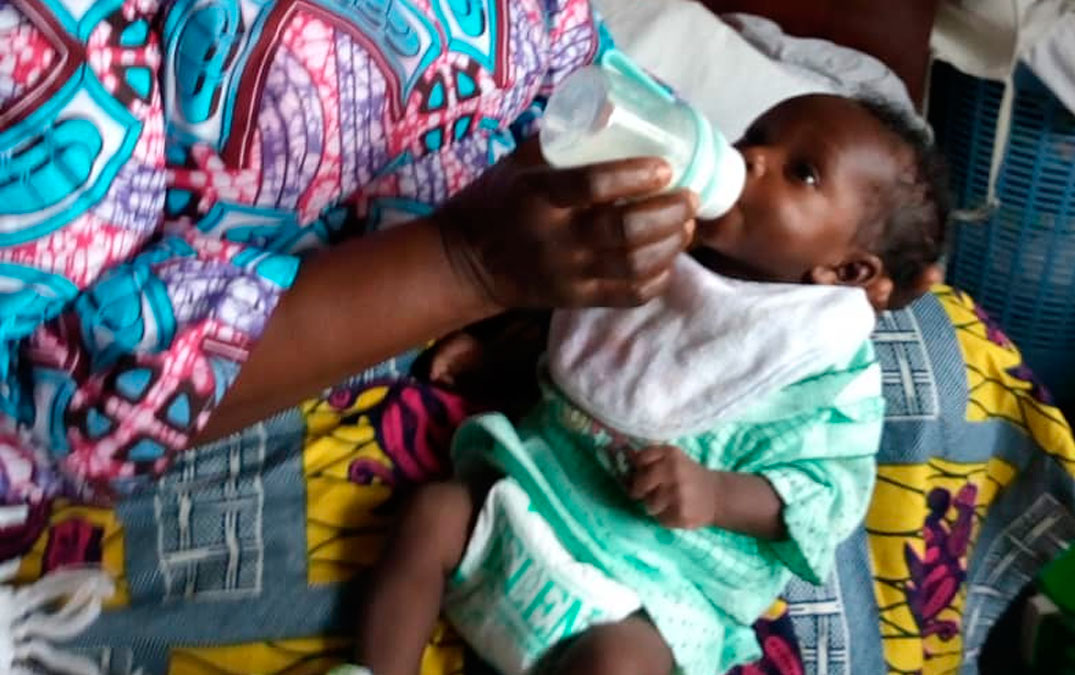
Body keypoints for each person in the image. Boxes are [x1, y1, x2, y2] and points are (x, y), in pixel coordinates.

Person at [347, 94, 952, 675]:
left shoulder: (824, 365)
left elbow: (824, 497)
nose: (752, 158)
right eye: (756, 136)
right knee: (433, 513)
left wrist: (716, 494)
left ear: (846, 269)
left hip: (649, 588)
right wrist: (494, 357)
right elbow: (586, 343)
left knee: (622, 664)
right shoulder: (657, 246)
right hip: (531, 499)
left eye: (803, 173)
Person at [0, 0, 695, 501]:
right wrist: (467, 264)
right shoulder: (57, 51)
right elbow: (60, 409)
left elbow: (589, 78)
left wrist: (681, 180)